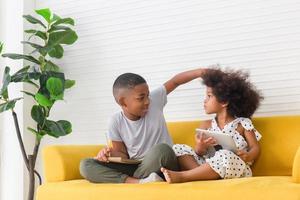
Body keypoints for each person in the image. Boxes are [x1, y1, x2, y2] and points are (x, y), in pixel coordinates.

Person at [80, 68, 206, 183]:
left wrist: (200, 72)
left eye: (147, 95)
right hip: (136, 165)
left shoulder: (154, 100)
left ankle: (137, 180)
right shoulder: (115, 121)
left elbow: (175, 82)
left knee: (163, 149)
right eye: (141, 98)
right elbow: (122, 155)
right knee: (85, 165)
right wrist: (108, 154)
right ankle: (138, 182)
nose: (147, 102)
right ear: (123, 102)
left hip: (162, 163)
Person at [161, 68, 264, 183]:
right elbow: (199, 153)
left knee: (225, 154)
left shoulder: (243, 124)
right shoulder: (206, 125)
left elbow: (255, 147)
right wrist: (200, 146)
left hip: (234, 166)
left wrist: (249, 156)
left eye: (209, 96)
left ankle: (184, 176)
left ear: (224, 102)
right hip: (208, 164)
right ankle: (203, 175)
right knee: (178, 148)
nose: (205, 101)